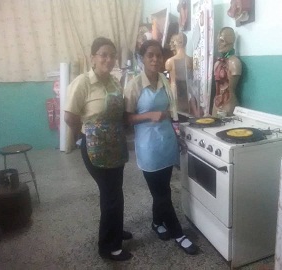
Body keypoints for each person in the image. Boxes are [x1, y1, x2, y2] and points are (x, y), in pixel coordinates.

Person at [124, 39, 197, 255]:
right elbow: (126, 119)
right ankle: (178, 233)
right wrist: (149, 115)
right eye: (150, 55)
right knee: (161, 194)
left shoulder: (165, 82)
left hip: (166, 143)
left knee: (162, 190)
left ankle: (157, 223)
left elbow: (172, 112)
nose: (155, 59)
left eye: (158, 55)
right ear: (142, 58)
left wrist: (178, 137)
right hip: (148, 148)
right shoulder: (135, 85)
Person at [64, 37, 132, 261]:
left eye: (112, 55)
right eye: (103, 54)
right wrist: (83, 135)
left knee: (115, 191)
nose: (109, 59)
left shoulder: (114, 82)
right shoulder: (82, 82)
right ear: (93, 57)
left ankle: (116, 230)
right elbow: (69, 116)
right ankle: (108, 247)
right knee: (110, 194)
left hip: (116, 145)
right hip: (95, 148)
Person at [212, 27, 242, 117]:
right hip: (216, 103)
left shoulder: (234, 62)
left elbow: (231, 89)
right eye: (218, 40)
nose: (218, 44)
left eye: (222, 41)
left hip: (229, 103)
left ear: (230, 41)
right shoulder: (217, 63)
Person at [165, 33, 195, 115]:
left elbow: (167, 80)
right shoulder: (190, 60)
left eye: (173, 41)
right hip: (187, 92)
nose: (171, 44)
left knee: (177, 116)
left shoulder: (169, 61)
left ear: (178, 42)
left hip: (176, 91)